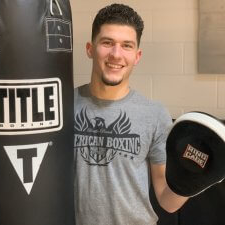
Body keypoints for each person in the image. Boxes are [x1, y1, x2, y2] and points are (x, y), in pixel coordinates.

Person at [74, 3, 189, 225]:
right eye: (107, 43)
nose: (116, 54)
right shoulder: (62, 106)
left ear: (137, 56)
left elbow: (167, 201)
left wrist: (192, 180)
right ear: (90, 48)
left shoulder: (154, 114)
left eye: (126, 45)